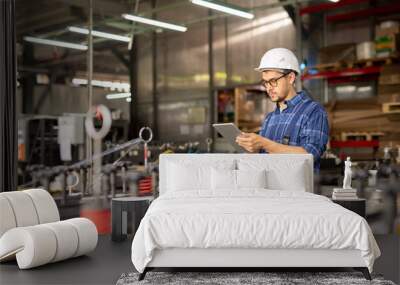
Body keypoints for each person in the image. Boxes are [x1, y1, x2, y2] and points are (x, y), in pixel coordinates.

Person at [236, 48, 329, 171]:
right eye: (266, 82)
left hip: (298, 189)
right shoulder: (270, 118)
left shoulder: (313, 111)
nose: (269, 88)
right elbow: (264, 159)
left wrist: (264, 143)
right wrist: (252, 147)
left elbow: (310, 155)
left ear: (290, 78)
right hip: (270, 188)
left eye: (273, 81)